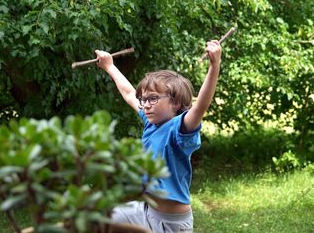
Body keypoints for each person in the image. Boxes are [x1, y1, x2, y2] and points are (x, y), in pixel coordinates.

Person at [95, 40, 222, 233]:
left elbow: (201, 105)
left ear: (176, 102)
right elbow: (129, 93)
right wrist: (110, 66)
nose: (145, 105)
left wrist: (214, 66)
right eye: (144, 99)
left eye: (153, 98)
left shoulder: (180, 128)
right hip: (144, 211)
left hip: (171, 223)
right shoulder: (151, 122)